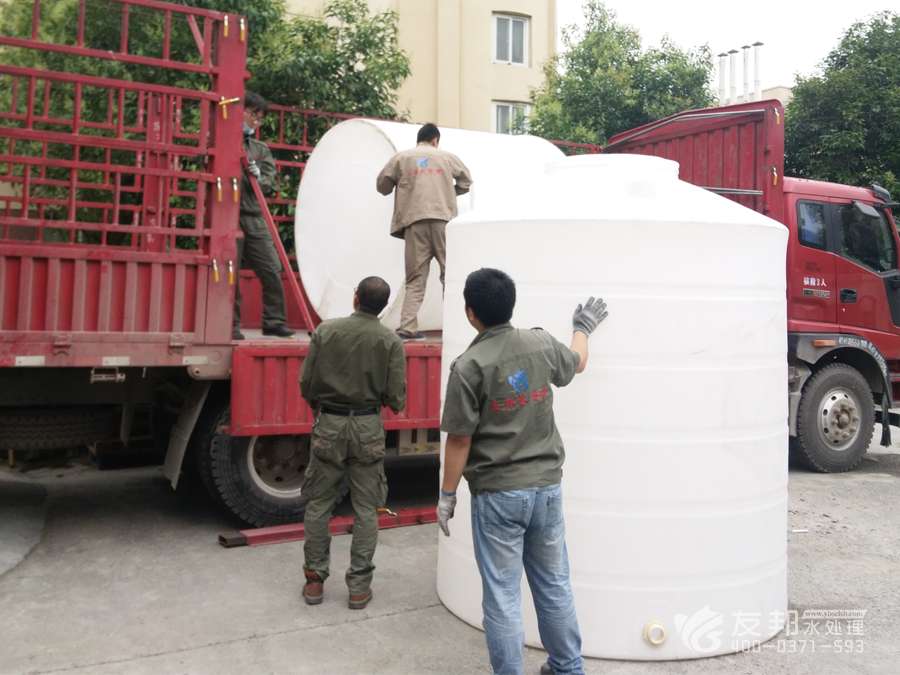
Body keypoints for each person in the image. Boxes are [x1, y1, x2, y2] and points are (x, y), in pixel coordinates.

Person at [437, 268, 608, 675]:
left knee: (502, 597)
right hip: (546, 490)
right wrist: (583, 328)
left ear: (470, 312)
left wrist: (447, 496)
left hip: (499, 496)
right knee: (553, 583)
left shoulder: (468, 366)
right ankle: (567, 667)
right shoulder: (539, 343)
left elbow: (459, 440)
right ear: (510, 304)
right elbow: (577, 363)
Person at [299, 276, 407, 610]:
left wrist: (322, 408)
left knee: (319, 504)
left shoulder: (326, 331)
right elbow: (397, 398)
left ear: (356, 298)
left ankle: (314, 581)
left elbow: (306, 383)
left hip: (329, 424)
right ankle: (359, 588)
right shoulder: (390, 341)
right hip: (367, 427)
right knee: (366, 509)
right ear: (383, 307)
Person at [376, 123, 473, 340]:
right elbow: (466, 181)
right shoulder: (447, 157)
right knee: (450, 276)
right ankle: (457, 327)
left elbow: (382, 186)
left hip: (414, 223)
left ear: (419, 139)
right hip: (443, 223)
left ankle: (407, 327)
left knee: (415, 278)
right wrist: (448, 192)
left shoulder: (402, 158)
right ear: (435, 140)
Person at [233, 91, 294, 340]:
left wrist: (257, 175)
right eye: (253, 115)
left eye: (260, 119)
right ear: (240, 111)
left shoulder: (260, 150)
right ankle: (231, 324)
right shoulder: (223, 143)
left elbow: (269, 184)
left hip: (254, 215)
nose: (256, 122)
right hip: (228, 215)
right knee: (230, 272)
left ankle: (274, 321)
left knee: (271, 267)